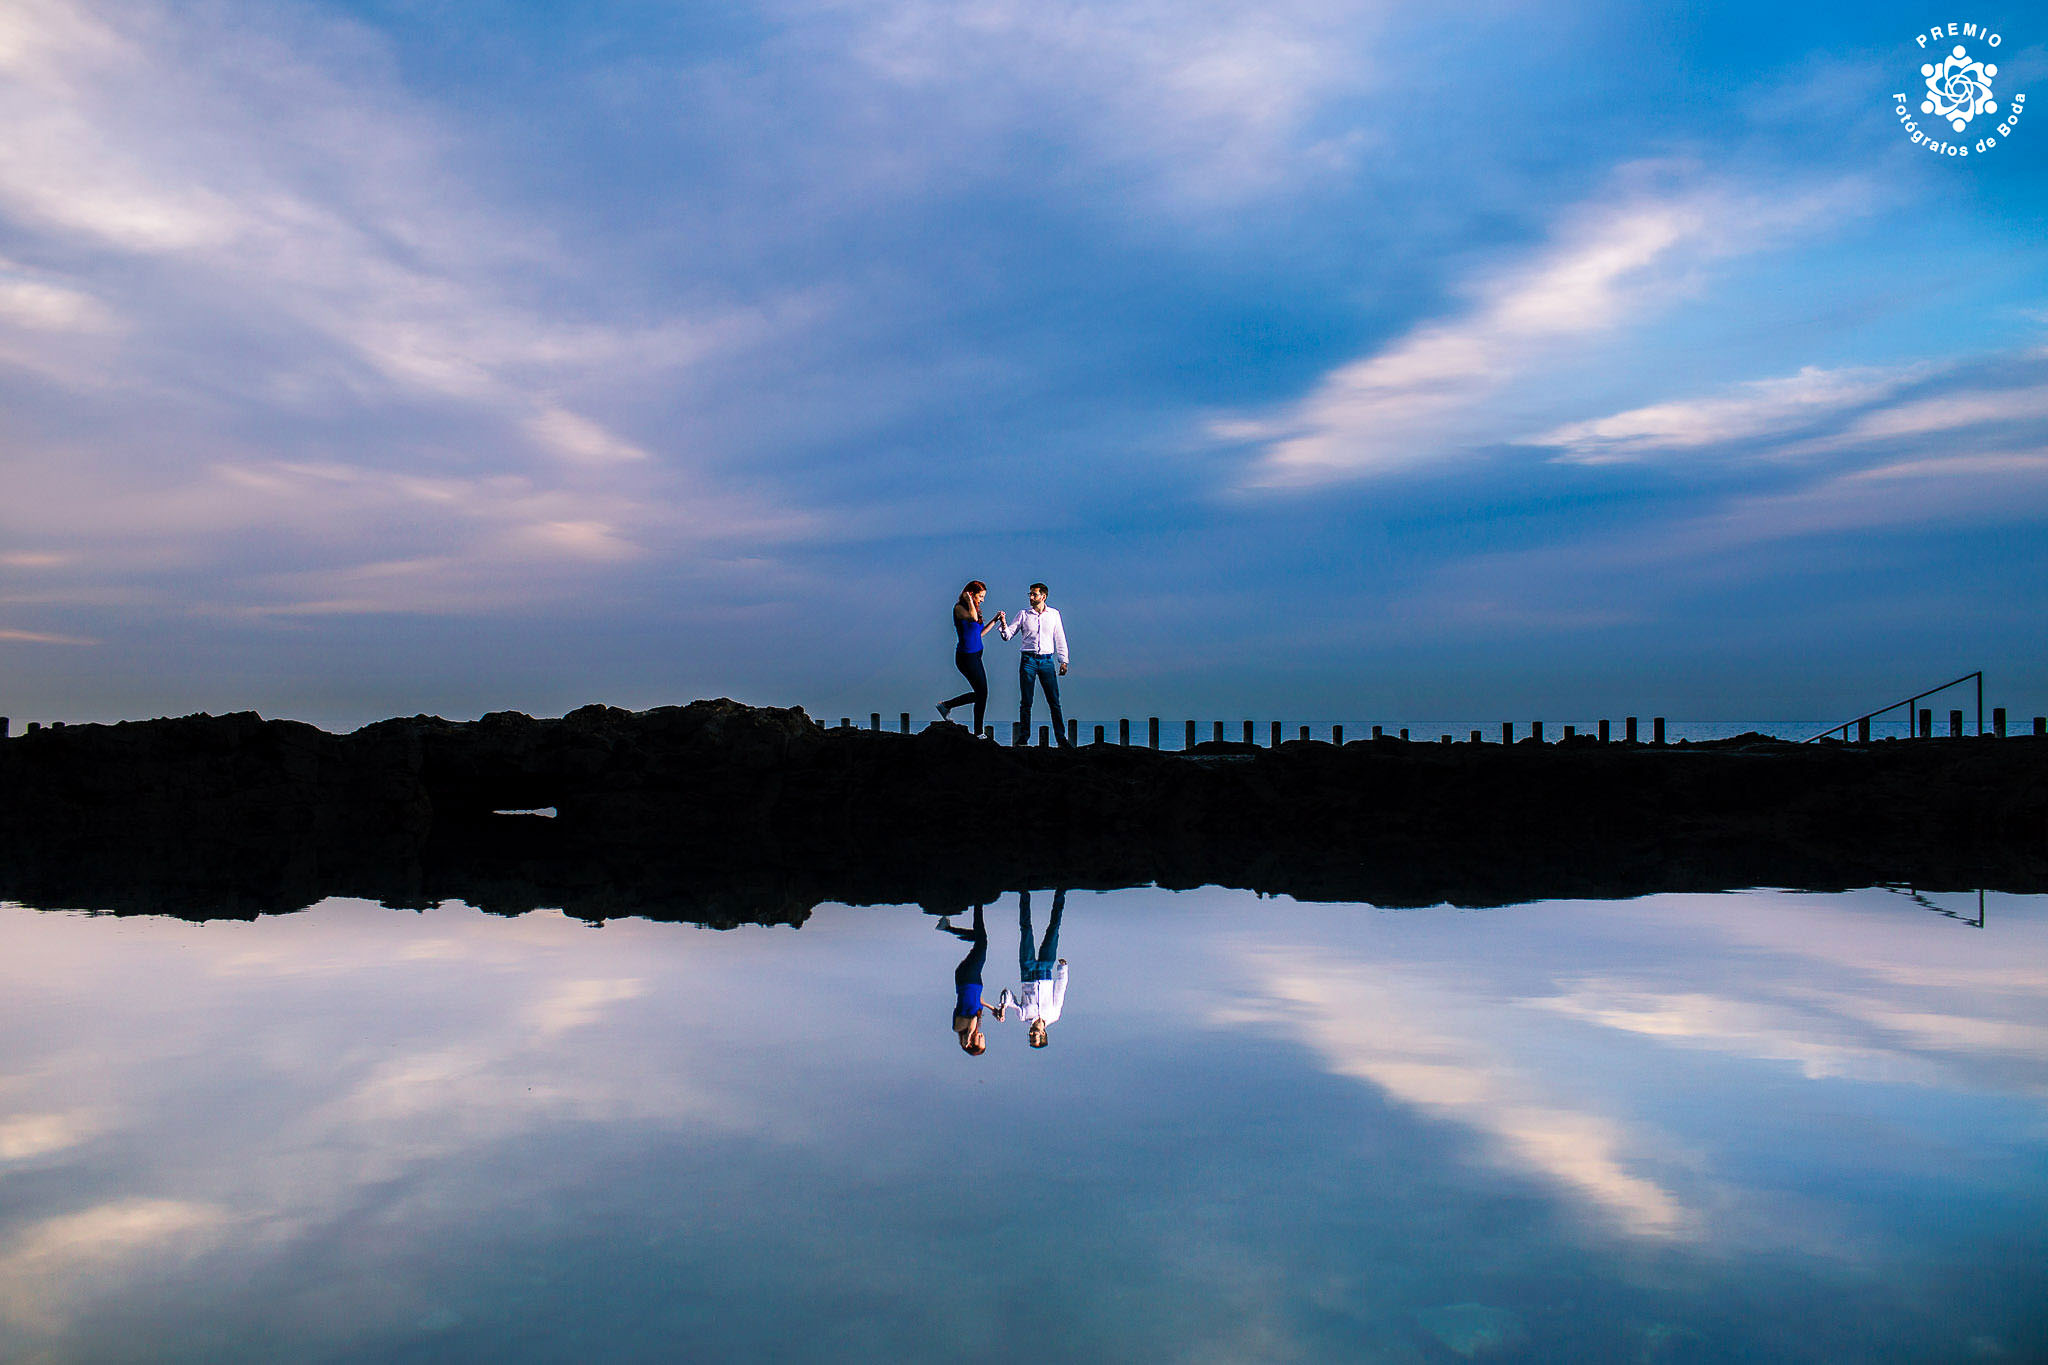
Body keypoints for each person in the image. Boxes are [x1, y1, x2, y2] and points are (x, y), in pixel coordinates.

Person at [998, 581, 1071, 747]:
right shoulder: (1023, 614)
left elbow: (1060, 637)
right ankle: (1024, 737)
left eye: (1034, 594)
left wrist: (1063, 660)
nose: (1031, 597)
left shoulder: (1054, 614)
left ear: (1043, 596)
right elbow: (1008, 635)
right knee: (1026, 701)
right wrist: (1003, 623)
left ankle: (1061, 738)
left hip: (1046, 660)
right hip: (1028, 659)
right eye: (1030, 594)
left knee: (1054, 700)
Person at [995, 888, 1067, 1048]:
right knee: (1054, 929)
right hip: (1046, 970)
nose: (1031, 1034)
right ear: (1043, 1034)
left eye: (1030, 1037)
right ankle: (1061, 892)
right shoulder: (1054, 1015)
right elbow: (1060, 991)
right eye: (1035, 1037)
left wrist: (1003, 1007)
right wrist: (1062, 970)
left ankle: (1024, 892)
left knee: (1026, 929)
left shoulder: (1023, 1016)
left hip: (1027, 971)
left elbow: (1007, 994)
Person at [937, 580, 1003, 734]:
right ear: (971, 594)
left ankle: (946, 706)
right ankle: (978, 732)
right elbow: (973, 618)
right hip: (966, 658)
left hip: (976, 656)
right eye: (980, 596)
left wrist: (994, 620)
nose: (982, 600)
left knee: (982, 694)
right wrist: (968, 599)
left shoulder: (973, 609)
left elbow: (978, 634)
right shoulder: (959, 608)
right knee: (982, 694)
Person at [939, 904, 992, 1055]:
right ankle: (948, 927)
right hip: (973, 979)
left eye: (980, 1041)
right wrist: (993, 1009)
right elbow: (977, 1002)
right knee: (980, 940)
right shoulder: (973, 1026)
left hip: (967, 978)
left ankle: (978, 903)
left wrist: (969, 1034)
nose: (982, 1037)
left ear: (971, 1043)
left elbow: (972, 1018)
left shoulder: (958, 1027)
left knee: (982, 943)